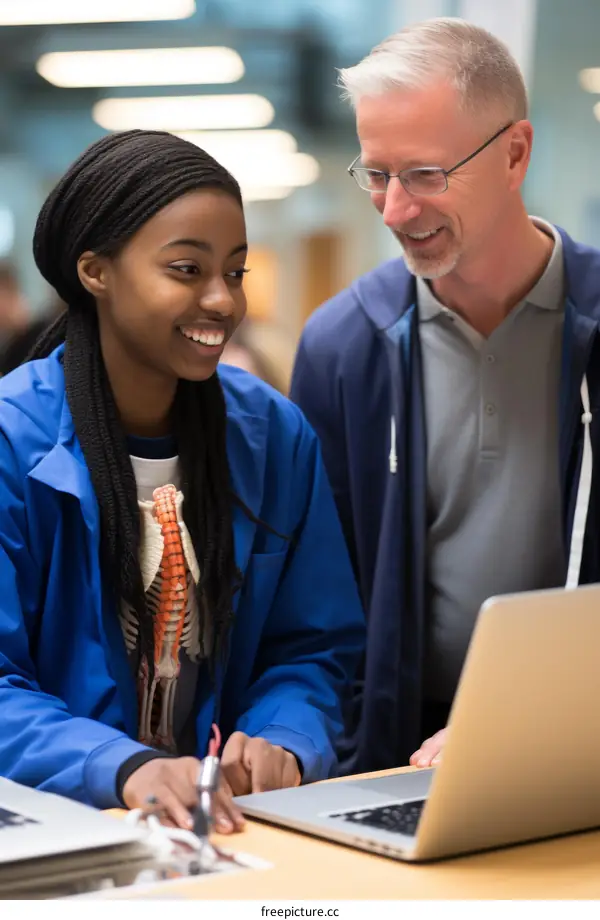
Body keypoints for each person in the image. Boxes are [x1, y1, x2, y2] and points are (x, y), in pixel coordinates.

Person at [0, 130, 365, 830]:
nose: (223, 302)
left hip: (231, 829)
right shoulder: (13, 442)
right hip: (55, 830)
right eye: (186, 270)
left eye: (234, 272)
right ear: (95, 272)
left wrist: (284, 739)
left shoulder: (273, 436)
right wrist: (122, 766)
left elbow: (313, 646)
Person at [290, 17, 600, 774]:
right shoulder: (342, 348)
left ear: (514, 153)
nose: (396, 210)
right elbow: (317, 611)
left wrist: (523, 719)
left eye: (426, 174)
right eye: (376, 174)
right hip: (398, 754)